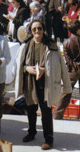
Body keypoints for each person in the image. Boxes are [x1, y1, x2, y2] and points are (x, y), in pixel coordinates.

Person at [16, 19, 71, 150]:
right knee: (30, 109)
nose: (37, 31)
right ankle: (32, 132)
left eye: (39, 28)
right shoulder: (25, 45)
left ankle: (49, 138)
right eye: (34, 29)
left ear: (43, 29)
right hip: (30, 82)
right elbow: (19, 65)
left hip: (46, 82)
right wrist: (27, 69)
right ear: (31, 31)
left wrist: (67, 85)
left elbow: (62, 66)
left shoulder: (51, 46)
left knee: (46, 111)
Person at [53, 19, 80, 123]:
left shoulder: (66, 42)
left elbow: (68, 60)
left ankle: (57, 114)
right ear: (79, 29)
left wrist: (77, 69)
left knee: (66, 92)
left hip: (72, 70)